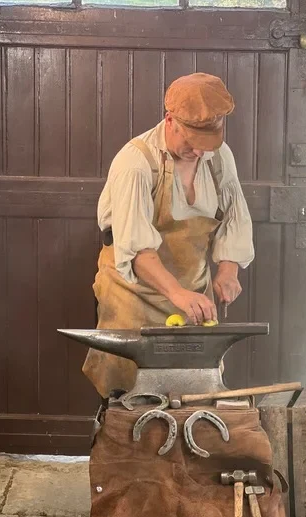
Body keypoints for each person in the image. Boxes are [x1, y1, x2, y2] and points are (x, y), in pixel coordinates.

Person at [82, 72, 255, 399]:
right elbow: (137, 250)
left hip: (192, 293)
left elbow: (234, 216)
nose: (199, 153)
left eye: (207, 145)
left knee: (192, 391)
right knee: (129, 392)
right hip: (133, 295)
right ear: (170, 120)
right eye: (192, 142)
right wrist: (177, 294)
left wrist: (228, 271)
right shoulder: (136, 162)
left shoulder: (218, 157)